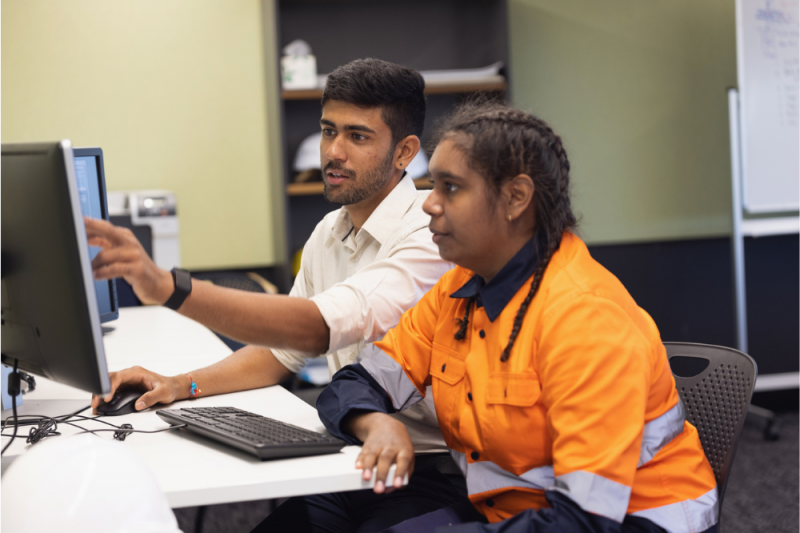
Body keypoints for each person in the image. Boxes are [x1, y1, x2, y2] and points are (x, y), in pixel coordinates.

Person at [87, 59, 471, 531]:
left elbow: (315, 326)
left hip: (432, 470)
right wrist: (177, 384)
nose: (334, 151)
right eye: (329, 131)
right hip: (356, 457)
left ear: (404, 151)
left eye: (358, 136)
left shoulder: (428, 237)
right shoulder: (329, 231)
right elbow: (281, 351)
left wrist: (170, 288)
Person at [316, 100, 719, 533]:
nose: (429, 205)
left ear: (516, 198)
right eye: (432, 185)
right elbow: (355, 384)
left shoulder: (585, 318)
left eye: (450, 188)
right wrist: (377, 424)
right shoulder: (460, 289)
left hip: (632, 521)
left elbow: (583, 523)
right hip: (515, 510)